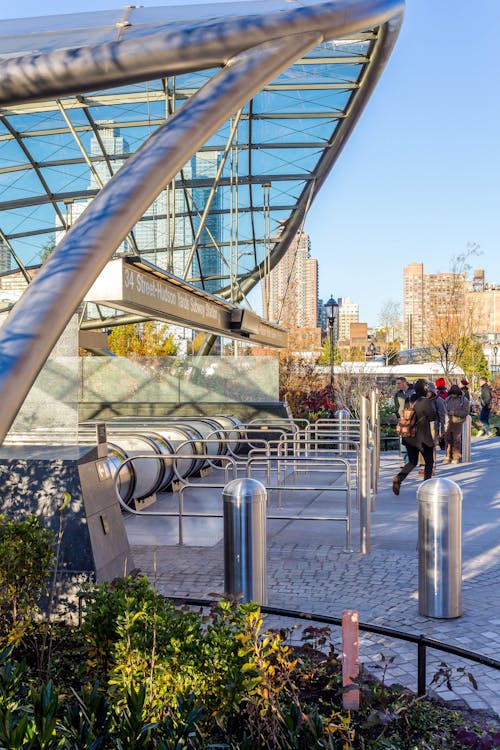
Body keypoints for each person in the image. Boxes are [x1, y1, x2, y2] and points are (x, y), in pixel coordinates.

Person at [392, 379, 436, 495]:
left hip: (409, 436)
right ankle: (425, 487)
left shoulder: (409, 399)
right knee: (429, 462)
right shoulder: (425, 401)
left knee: (412, 461)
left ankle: (399, 478)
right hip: (423, 437)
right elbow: (432, 417)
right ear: (425, 389)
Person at [417, 381, 446, 475]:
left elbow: (443, 416)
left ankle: (431, 467)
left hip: (433, 425)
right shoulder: (420, 399)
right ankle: (422, 465)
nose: (427, 393)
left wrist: (442, 430)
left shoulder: (438, 400)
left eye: (428, 391)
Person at [443, 384, 470, 463]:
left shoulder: (464, 400)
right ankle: (448, 455)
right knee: (448, 439)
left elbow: (466, 412)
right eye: (452, 393)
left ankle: (456, 456)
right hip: (449, 421)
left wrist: (455, 413)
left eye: (454, 394)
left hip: (459, 421)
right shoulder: (448, 399)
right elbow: (444, 407)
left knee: (457, 439)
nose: (453, 395)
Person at [394, 377, 414, 464]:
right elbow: (396, 407)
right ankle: (406, 461)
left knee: (412, 439)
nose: (397, 385)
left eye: (399, 383)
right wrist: (399, 417)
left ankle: (412, 459)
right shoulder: (398, 394)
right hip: (402, 420)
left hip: (412, 418)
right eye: (396, 383)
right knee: (404, 440)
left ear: (404, 383)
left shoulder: (413, 391)